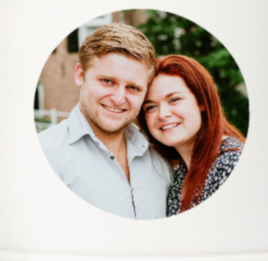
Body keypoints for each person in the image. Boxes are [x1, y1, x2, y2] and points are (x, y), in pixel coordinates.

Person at [38, 21, 171, 219]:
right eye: (107, 81)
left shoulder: (161, 159)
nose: (119, 98)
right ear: (80, 75)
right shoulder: (44, 155)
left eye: (133, 88)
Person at [143, 52, 246, 215]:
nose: (162, 114)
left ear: (202, 101)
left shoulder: (231, 163)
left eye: (174, 99)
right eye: (151, 107)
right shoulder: (180, 172)